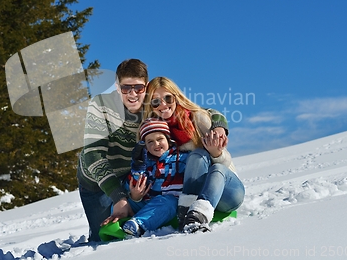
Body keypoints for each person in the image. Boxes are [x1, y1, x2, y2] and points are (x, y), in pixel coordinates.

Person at [143, 76, 245, 233]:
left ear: (176, 97)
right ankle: (189, 216)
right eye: (156, 101)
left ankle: (196, 212)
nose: (163, 105)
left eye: (168, 98)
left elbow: (224, 163)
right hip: (190, 196)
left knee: (203, 158)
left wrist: (215, 152)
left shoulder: (197, 119)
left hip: (225, 189)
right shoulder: (157, 134)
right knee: (195, 157)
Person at [77, 59, 148, 242]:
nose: (133, 94)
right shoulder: (101, 106)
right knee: (103, 237)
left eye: (138, 88)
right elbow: (93, 155)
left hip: (128, 176)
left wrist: (218, 125)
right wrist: (118, 197)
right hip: (95, 182)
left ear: (146, 86)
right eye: (126, 88)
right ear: (118, 87)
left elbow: (195, 111)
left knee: (134, 231)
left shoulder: (154, 106)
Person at [119, 118, 189, 237]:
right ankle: (120, 221)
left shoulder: (181, 158)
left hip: (171, 205)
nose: (156, 144)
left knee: (169, 202)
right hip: (147, 202)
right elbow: (132, 186)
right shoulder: (146, 163)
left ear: (168, 139)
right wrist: (137, 170)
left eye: (160, 139)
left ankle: (138, 225)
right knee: (121, 203)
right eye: (150, 142)